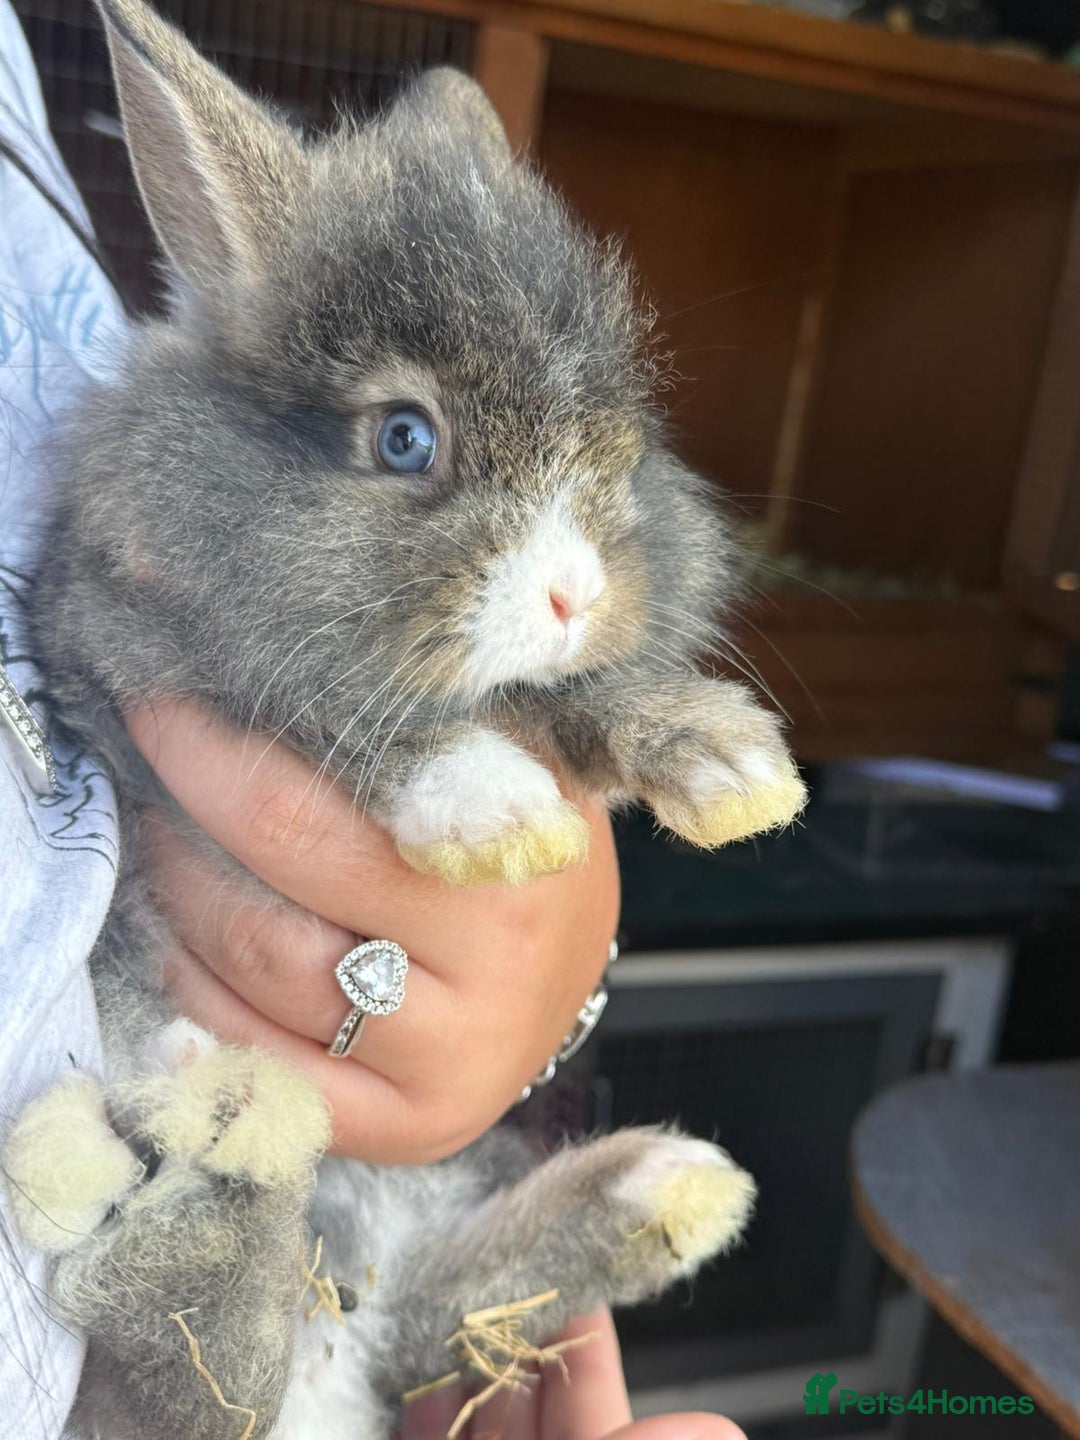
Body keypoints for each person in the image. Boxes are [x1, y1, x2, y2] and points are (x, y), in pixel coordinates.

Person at [0, 5, 744, 1436]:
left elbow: (497, 946)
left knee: (352, 1268)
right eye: (410, 443)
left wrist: (547, 966)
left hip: (344, 1191)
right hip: (134, 1194)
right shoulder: (174, 494)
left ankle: (440, 1287)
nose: (564, 584)